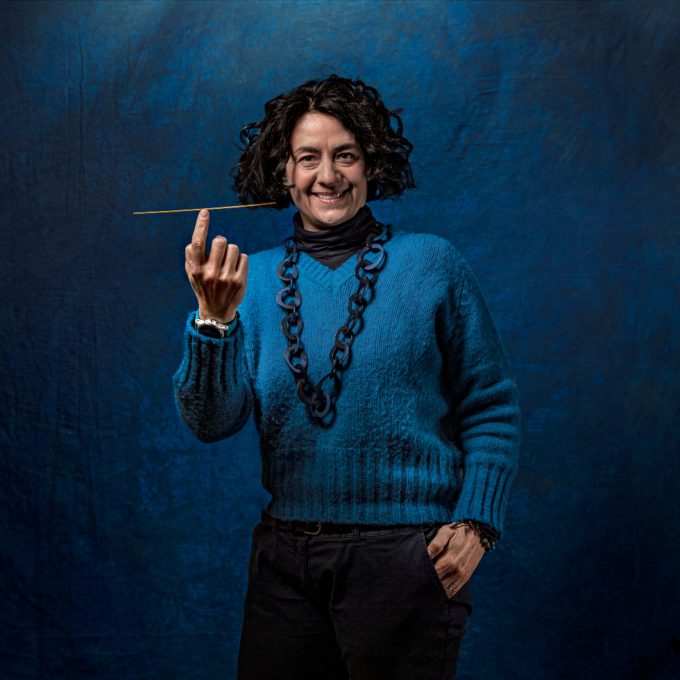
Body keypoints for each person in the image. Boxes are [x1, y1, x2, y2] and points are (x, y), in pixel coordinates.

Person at [173, 74, 521, 680]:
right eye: (308, 157)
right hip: (285, 563)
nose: (328, 175)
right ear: (284, 172)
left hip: (405, 559)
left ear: (371, 164)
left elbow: (490, 405)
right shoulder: (247, 281)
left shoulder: (432, 264)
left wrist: (476, 524)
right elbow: (210, 423)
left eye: (346, 155)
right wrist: (214, 320)